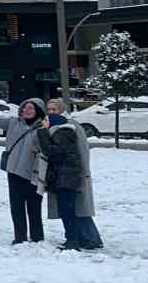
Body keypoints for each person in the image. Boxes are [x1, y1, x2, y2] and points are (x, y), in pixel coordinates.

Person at [39, 98, 104, 251]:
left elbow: (58, 151)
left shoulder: (67, 127)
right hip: (65, 175)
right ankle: (86, 239)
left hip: (68, 175)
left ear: (62, 110)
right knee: (75, 209)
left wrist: (42, 132)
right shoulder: (57, 126)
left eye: (54, 109)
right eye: (48, 109)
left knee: (72, 209)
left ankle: (82, 240)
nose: (50, 112)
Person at [0, 97, 45, 244]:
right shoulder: (13, 122)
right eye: (24, 107)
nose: (26, 110)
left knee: (34, 207)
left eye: (30, 108)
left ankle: (37, 237)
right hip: (13, 171)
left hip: (34, 173)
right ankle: (20, 237)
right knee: (17, 207)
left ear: (38, 111)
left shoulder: (43, 128)